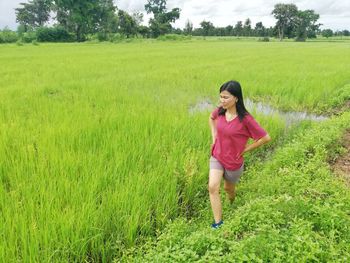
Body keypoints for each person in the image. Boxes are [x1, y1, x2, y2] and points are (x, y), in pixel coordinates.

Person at [208, 80, 271, 229]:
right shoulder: (220, 111)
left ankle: (232, 201)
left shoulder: (246, 119)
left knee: (228, 189)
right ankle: (218, 224)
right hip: (217, 156)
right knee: (212, 187)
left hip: (233, 162)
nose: (222, 100)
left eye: (225, 97)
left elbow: (266, 138)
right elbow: (211, 118)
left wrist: (246, 149)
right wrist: (214, 136)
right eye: (221, 97)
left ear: (236, 98)